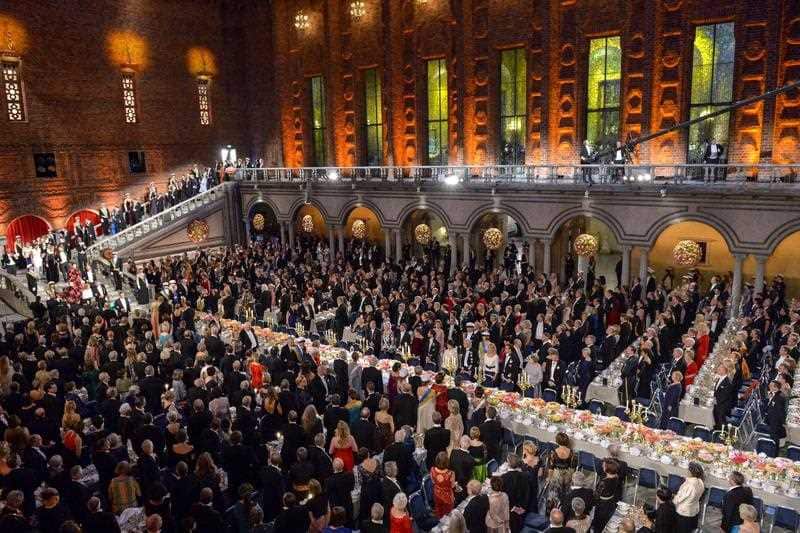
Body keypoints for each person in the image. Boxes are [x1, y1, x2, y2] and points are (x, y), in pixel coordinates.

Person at [674, 462, 705, 533]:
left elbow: (678, 499)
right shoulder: (701, 482)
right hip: (693, 511)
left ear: (691, 472)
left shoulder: (689, 485)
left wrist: (672, 502)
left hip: (683, 513)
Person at [431, 451, 456, 518]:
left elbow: (433, 481)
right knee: (447, 513)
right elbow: (452, 486)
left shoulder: (432, 470)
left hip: (437, 493)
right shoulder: (451, 473)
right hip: (447, 496)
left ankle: (439, 524)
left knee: (438, 510)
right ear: (447, 462)